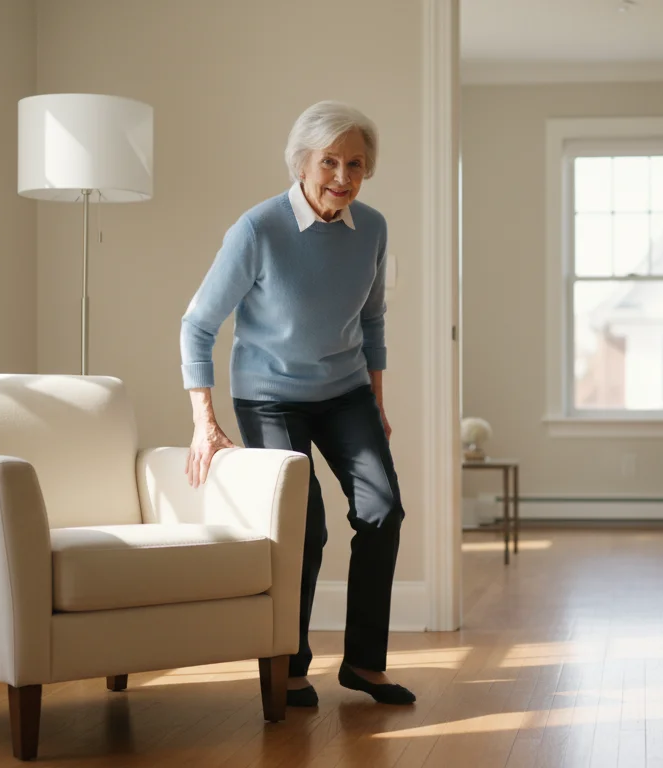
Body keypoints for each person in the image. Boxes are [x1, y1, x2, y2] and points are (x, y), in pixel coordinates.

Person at [179, 101, 414, 708]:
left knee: (383, 511)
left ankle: (364, 663)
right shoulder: (258, 230)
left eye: (356, 163)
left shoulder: (375, 229)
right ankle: (288, 663)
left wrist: (378, 403)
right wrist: (205, 423)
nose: (342, 175)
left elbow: (373, 319)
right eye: (329, 161)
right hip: (270, 396)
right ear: (302, 162)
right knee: (303, 526)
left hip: (346, 391)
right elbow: (198, 326)